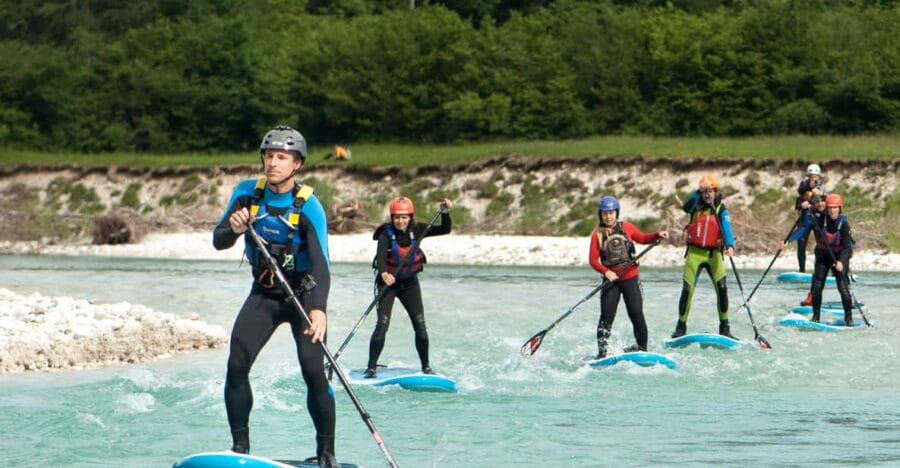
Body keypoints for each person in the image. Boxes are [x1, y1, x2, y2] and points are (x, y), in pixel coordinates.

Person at [212, 125, 337, 467]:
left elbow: (322, 264)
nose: (273, 163)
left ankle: (326, 453)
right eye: (269, 156)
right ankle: (239, 449)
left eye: (282, 157)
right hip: (264, 294)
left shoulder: (310, 206)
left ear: (297, 164)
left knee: (314, 372)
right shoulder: (246, 194)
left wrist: (319, 309)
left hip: (303, 298)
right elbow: (218, 240)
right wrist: (233, 228)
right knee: (236, 365)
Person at [364, 196, 452, 378]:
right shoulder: (385, 234)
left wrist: (445, 212)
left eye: (404, 217)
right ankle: (371, 367)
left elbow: (445, 229)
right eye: (397, 217)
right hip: (387, 285)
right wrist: (384, 273)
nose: (400, 221)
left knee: (420, 325)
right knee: (382, 325)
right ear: (392, 217)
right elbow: (381, 258)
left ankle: (426, 367)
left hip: (409, 284)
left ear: (410, 217)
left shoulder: (418, 229)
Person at [589, 196, 669, 358]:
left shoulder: (627, 227)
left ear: (616, 213)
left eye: (611, 213)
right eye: (605, 213)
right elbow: (593, 260)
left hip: (630, 278)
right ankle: (602, 353)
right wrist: (606, 272)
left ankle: (642, 348)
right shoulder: (597, 235)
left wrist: (657, 235)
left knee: (636, 313)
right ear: (600, 215)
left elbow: (643, 238)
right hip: (610, 282)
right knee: (606, 317)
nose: (608, 217)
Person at [672, 175, 737, 339]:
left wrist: (730, 245)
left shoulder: (721, 209)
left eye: (710, 191)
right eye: (704, 192)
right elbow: (685, 207)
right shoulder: (695, 206)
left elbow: (727, 227)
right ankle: (680, 328)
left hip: (714, 255)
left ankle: (725, 328)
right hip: (695, 255)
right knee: (687, 290)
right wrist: (698, 191)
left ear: (715, 192)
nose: (707, 195)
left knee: (722, 288)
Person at [782, 194, 854, 324]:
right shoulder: (820, 219)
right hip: (823, 256)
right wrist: (788, 240)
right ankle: (816, 318)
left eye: (835, 208)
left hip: (838, 258)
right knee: (817, 287)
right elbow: (804, 228)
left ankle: (849, 319)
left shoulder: (844, 224)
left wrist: (842, 261)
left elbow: (848, 247)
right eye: (830, 208)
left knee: (843, 289)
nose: (832, 211)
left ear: (840, 208)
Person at [794, 164, 827, 273]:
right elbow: (800, 190)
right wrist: (810, 186)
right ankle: (801, 269)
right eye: (811, 176)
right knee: (801, 242)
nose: (813, 178)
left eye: (815, 176)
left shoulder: (822, 187)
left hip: (818, 218)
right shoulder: (804, 185)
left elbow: (825, 200)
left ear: (819, 176)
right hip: (805, 218)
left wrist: (820, 193)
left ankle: (820, 269)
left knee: (821, 244)